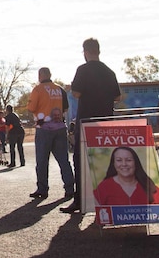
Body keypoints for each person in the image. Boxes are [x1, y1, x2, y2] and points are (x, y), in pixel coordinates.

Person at [61, 38, 121, 214]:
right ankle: (106, 200)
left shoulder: (83, 70)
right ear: (99, 51)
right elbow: (117, 97)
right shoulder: (109, 71)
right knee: (105, 160)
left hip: (86, 122)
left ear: (85, 52)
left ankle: (79, 200)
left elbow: (77, 93)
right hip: (105, 122)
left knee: (80, 161)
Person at [27, 67, 74, 200]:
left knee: (42, 161)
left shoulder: (38, 89)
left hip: (44, 128)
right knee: (64, 160)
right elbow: (65, 108)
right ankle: (70, 189)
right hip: (59, 127)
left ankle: (43, 189)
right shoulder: (59, 89)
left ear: (40, 75)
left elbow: (31, 108)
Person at [94, 147, 159, 206]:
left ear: (135, 162)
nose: (124, 164)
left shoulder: (147, 185)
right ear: (114, 164)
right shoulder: (104, 186)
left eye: (128, 160)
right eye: (119, 160)